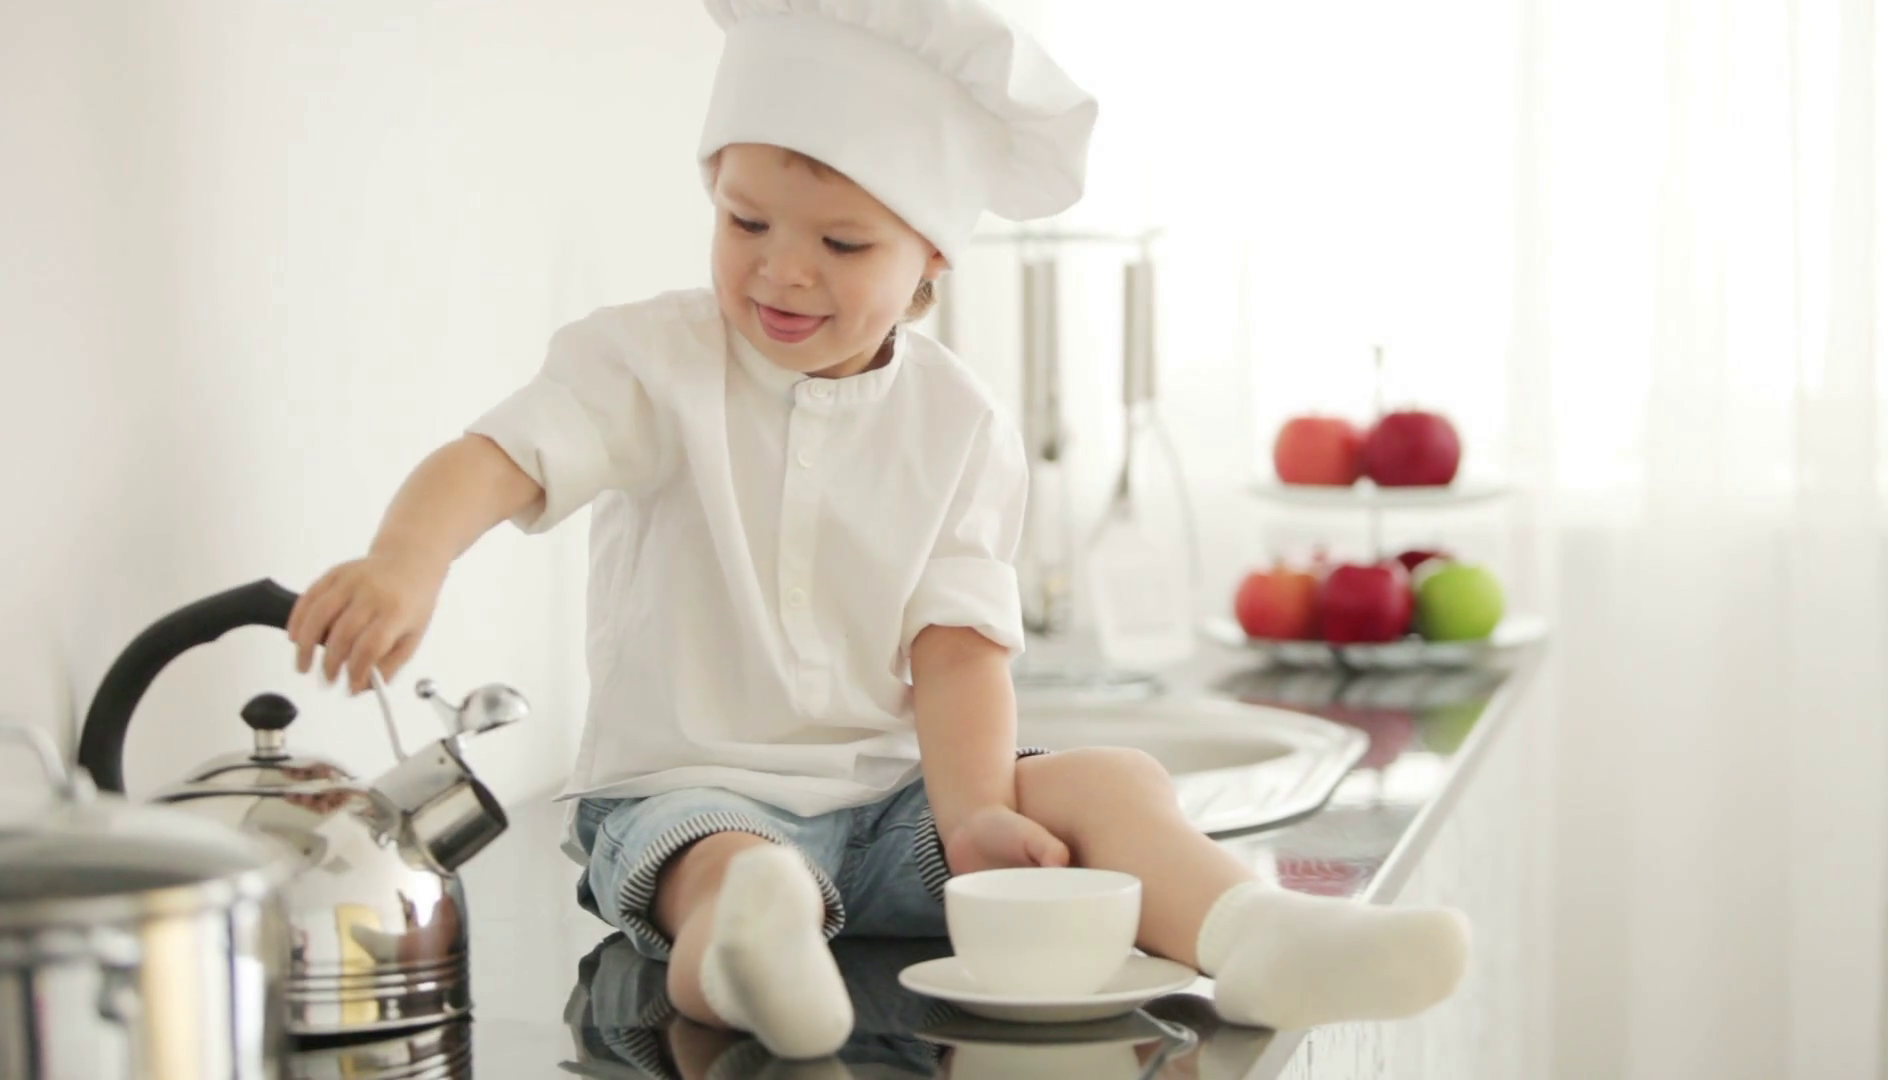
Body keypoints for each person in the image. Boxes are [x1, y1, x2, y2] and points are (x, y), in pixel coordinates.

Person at [288, 0, 1470, 1061]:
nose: (782, 271)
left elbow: (959, 651)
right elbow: (501, 456)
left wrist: (975, 816)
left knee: (1111, 780)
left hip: (898, 807)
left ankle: (1256, 937)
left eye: (841, 244)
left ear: (928, 261)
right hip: (686, 796)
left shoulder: (960, 422)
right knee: (737, 872)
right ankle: (754, 961)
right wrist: (409, 558)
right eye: (747, 221)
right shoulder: (650, 361)